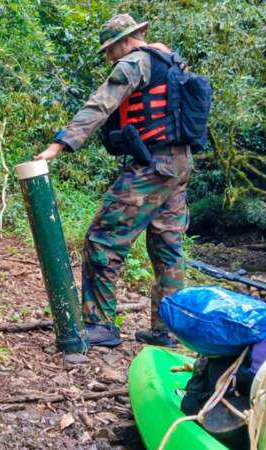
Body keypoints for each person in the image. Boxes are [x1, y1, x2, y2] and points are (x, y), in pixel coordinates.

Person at [35, 14, 193, 347]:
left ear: (125, 40)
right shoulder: (172, 61)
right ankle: (167, 330)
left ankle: (101, 325)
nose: (109, 57)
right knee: (168, 250)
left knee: (102, 239)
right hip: (179, 166)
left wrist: (59, 145)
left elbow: (99, 105)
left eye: (109, 49)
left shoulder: (135, 63)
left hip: (153, 167)